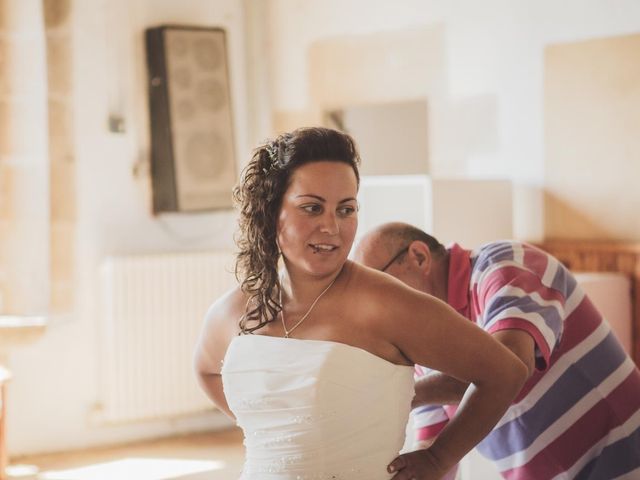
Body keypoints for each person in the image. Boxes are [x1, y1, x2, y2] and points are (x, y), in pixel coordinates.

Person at [194, 127, 528, 480]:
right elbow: (205, 370)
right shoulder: (236, 309)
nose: (332, 227)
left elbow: (504, 372)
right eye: (312, 208)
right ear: (271, 210)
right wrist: (277, 435)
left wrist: (437, 459)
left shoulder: (384, 303)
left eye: (346, 209)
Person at [354, 222, 640, 480]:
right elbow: (432, 443)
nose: (378, 307)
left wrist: (404, 396)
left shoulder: (505, 265)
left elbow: (506, 368)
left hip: (624, 459)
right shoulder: (421, 343)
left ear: (419, 257)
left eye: (382, 287)